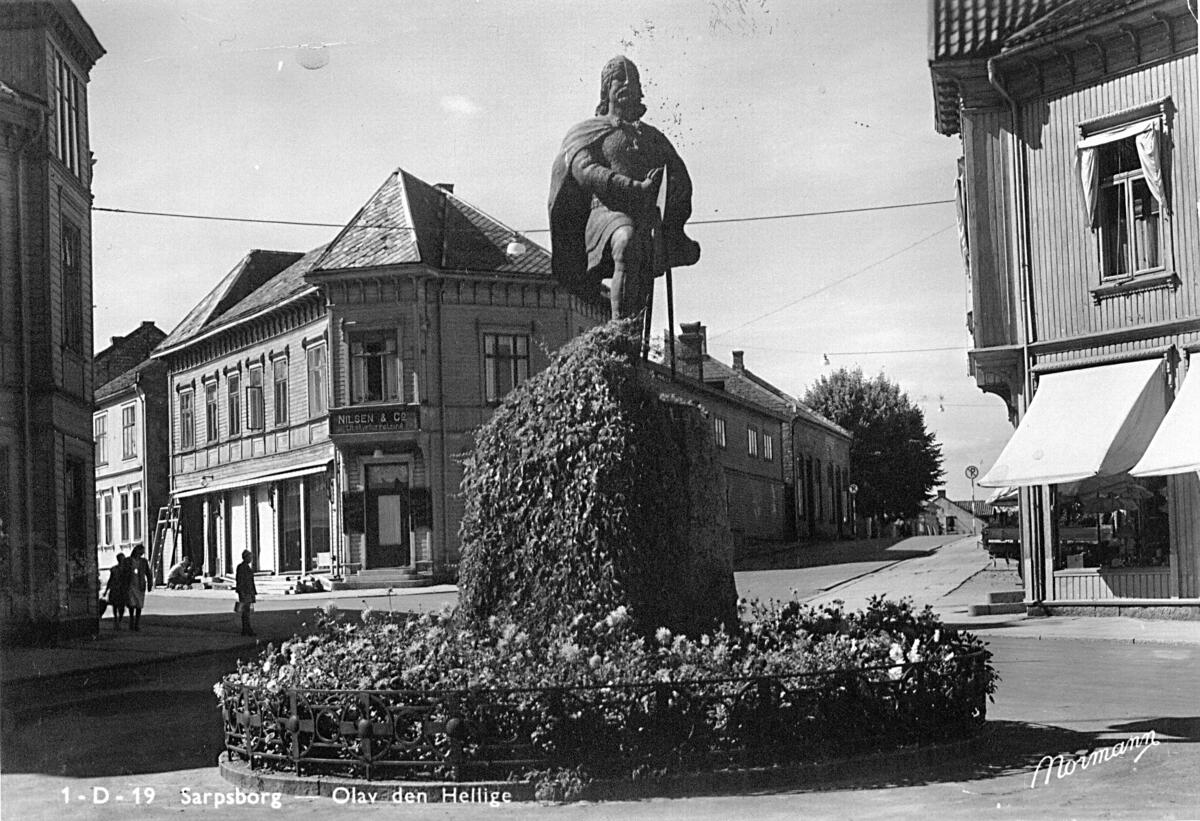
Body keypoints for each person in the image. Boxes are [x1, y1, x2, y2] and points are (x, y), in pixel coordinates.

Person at [549, 55, 700, 321]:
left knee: (640, 258)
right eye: (620, 78)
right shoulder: (586, 131)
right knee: (626, 240)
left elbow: (679, 175)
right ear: (606, 88)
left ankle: (634, 338)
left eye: (634, 79)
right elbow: (585, 171)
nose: (627, 84)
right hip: (604, 213)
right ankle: (620, 332)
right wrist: (634, 187)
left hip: (645, 216)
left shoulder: (652, 137)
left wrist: (672, 191)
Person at [125, 543, 153, 632]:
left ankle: (137, 623)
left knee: (139, 605)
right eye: (141, 551)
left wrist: (150, 584)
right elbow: (124, 573)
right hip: (130, 584)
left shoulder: (144, 561)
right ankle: (131, 622)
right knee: (131, 604)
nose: (142, 553)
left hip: (140, 585)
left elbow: (148, 573)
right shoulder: (128, 561)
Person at [103, 553, 131, 629]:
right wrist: (106, 590)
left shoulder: (126, 569)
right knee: (115, 605)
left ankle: (119, 621)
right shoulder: (115, 569)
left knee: (121, 606)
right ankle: (116, 620)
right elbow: (110, 580)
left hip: (122, 589)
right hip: (116, 589)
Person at [235, 550, 257, 637]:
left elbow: (251, 581)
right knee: (245, 612)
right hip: (244, 592)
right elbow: (240, 580)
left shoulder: (247, 567)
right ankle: (247, 629)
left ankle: (246, 629)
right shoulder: (241, 567)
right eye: (250, 557)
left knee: (247, 611)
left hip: (248, 591)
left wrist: (254, 592)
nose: (251, 559)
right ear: (245, 557)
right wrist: (241, 591)